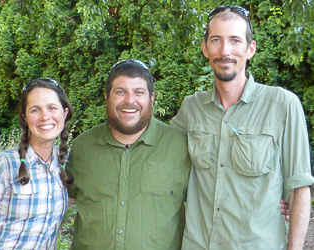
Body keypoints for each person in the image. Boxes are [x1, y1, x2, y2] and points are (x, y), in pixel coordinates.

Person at [170, 5, 314, 250]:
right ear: (205, 48)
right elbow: (157, 155)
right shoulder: (191, 109)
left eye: (235, 40)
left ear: (250, 49)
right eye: (216, 40)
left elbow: (299, 188)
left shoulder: (282, 105)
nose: (225, 50)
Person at [67, 59, 191, 249]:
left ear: (152, 98)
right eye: (120, 92)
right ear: (107, 97)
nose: (130, 101)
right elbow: (55, 206)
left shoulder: (180, 146)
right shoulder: (82, 148)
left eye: (139, 92)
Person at [0, 78, 73, 249]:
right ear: (25, 117)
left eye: (52, 108)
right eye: (35, 110)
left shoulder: (65, 165)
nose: (45, 116)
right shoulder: (2, 166)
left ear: (64, 113)